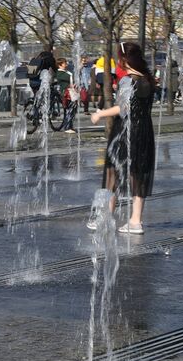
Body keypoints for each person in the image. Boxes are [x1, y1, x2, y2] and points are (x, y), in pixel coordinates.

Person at [90, 42, 156, 234]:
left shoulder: (128, 80)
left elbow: (123, 108)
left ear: (124, 59)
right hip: (144, 129)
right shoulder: (149, 80)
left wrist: (100, 114)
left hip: (125, 131)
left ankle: (106, 217)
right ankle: (136, 221)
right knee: (137, 174)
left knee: (113, 171)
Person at [55, 59, 77, 133]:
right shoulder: (59, 73)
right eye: (64, 63)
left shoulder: (66, 72)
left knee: (73, 108)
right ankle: (67, 127)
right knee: (70, 108)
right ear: (59, 65)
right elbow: (65, 79)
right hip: (66, 92)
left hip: (71, 91)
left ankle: (70, 126)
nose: (66, 64)